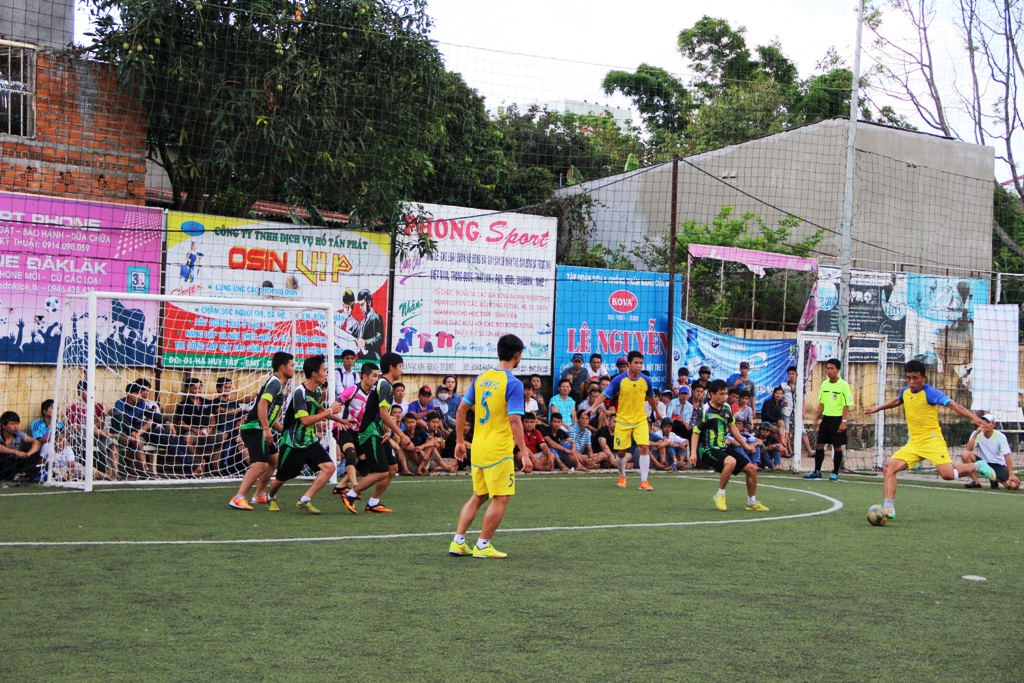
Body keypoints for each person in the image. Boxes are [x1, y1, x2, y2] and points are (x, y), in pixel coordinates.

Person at [865, 360, 992, 520]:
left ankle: (978, 465)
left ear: (923, 378)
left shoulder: (930, 393)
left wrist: (974, 418)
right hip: (915, 443)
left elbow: (954, 406)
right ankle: (888, 508)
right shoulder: (906, 391)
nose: (911, 382)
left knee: (948, 475)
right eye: (908, 378)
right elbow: (898, 400)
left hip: (933, 441)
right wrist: (878, 408)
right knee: (889, 468)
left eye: (915, 378)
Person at [448, 334, 533, 559]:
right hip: (498, 450)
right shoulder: (513, 383)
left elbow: (461, 410)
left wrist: (459, 441)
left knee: (479, 495)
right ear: (517, 355)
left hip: (478, 447)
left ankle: (458, 542)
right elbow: (515, 420)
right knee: (501, 497)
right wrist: (524, 453)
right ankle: (483, 545)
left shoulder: (482, 378)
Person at [267, 355, 345, 514]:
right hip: (293, 443)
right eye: (324, 370)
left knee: (329, 468)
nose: (327, 374)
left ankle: (304, 500)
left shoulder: (317, 391)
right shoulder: (300, 392)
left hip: (310, 441)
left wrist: (341, 420)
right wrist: (330, 411)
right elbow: (305, 420)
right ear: (314, 374)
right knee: (280, 479)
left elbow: (319, 410)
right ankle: (270, 497)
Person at [341, 352, 413, 514]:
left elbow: (380, 412)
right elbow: (383, 414)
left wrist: (387, 430)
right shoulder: (385, 385)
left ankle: (373, 503)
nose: (401, 370)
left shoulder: (384, 384)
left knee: (393, 468)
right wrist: (401, 434)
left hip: (378, 431)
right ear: (392, 367)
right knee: (381, 471)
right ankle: (350, 495)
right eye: (400, 366)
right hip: (370, 432)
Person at [688, 379, 768, 512]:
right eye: (721, 394)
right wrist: (693, 453)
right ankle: (720, 494)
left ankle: (752, 502)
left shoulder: (727, 408)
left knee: (751, 469)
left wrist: (745, 445)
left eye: (725, 393)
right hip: (708, 449)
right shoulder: (705, 410)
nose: (724, 396)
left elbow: (733, 428)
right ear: (712, 394)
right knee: (731, 462)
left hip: (723, 448)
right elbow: (696, 432)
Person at [585, 351, 659, 491]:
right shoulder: (619, 380)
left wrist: (657, 412)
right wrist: (593, 407)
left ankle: (644, 481)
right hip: (623, 420)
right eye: (636, 363)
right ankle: (622, 475)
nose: (639, 366)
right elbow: (604, 394)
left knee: (644, 447)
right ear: (629, 364)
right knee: (621, 452)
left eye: (641, 363)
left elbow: (650, 397)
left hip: (640, 420)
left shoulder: (646, 380)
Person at [229, 352, 294, 511]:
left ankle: (259, 495)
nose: (294, 368)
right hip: (254, 429)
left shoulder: (279, 385)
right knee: (261, 463)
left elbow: (271, 417)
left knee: (274, 461)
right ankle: (238, 498)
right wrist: (266, 429)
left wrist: (285, 432)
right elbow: (262, 404)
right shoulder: (275, 383)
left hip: (260, 429)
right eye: (292, 365)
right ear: (282, 367)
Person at [807, 358, 852, 481]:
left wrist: (843, 422)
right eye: (827, 368)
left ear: (838, 370)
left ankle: (835, 473)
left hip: (837, 419)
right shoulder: (824, 384)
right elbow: (821, 403)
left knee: (837, 446)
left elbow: (846, 405)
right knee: (819, 445)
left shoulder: (844, 385)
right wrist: (816, 419)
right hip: (826, 419)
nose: (829, 371)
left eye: (832, 368)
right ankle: (817, 472)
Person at [66, 380, 120, 480]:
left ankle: (116, 472)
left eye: (92, 390)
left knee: (112, 443)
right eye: (88, 390)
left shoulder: (98, 406)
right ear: (80, 392)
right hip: (80, 437)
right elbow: (74, 427)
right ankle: (115, 435)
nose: (91, 393)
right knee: (87, 428)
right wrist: (92, 425)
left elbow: (101, 424)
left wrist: (92, 425)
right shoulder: (72, 408)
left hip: (98, 436)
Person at [962, 414, 1020, 490]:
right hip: (983, 464)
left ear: (994, 425)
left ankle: (994, 479)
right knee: (965, 454)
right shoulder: (976, 433)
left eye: (988, 422)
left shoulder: (1000, 436)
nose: (985, 424)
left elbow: (1007, 455)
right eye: (983, 422)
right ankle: (976, 482)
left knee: (1014, 486)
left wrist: (1011, 474)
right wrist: (976, 434)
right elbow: (968, 449)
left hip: (998, 465)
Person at [211, 377, 247, 475]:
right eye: (225, 387)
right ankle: (225, 463)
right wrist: (235, 412)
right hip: (221, 428)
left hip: (234, 427)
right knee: (230, 434)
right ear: (219, 389)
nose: (228, 390)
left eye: (229, 387)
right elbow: (221, 411)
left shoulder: (234, 403)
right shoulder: (214, 402)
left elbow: (239, 417)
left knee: (238, 433)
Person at [0, 411, 41, 482]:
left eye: (17, 424)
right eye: (12, 424)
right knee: (3, 455)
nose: (15, 426)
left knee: (30, 446)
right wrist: (16, 452)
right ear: (3, 425)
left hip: (15, 462)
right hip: (4, 465)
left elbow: (36, 442)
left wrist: (27, 454)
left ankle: (23, 474)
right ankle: (16, 475)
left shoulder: (18, 434)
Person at [354, 289, 384, 360]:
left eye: (362, 305)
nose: (360, 308)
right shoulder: (362, 322)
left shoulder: (376, 317)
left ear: (369, 302)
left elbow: (379, 339)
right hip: (362, 359)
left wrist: (365, 343)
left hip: (373, 359)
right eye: (359, 305)